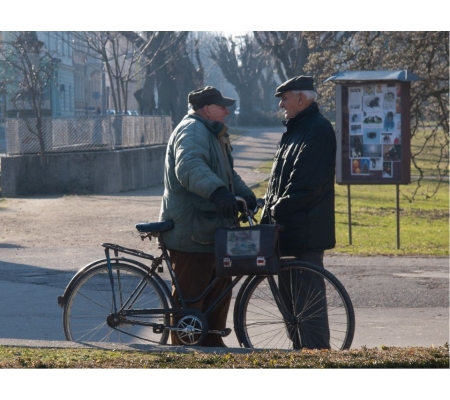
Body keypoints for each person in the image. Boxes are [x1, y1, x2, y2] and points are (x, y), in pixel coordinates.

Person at [159, 86, 256, 347]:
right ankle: (184, 353)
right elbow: (189, 166)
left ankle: (213, 344)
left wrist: (247, 196)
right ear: (206, 109)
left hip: (211, 230)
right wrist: (218, 194)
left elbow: (228, 174)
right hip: (193, 232)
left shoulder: (212, 133)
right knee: (191, 300)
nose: (227, 110)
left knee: (217, 292)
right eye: (222, 106)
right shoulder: (192, 131)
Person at [261, 75, 336, 349]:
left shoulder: (317, 130)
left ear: (301, 99)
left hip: (305, 233)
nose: (281, 104)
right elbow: (278, 181)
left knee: (308, 311)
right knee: (292, 310)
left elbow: (306, 185)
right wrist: (266, 207)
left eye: (285, 98)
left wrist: (274, 209)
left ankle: (317, 360)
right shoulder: (295, 130)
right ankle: (301, 356)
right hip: (287, 232)